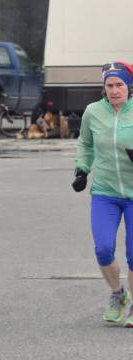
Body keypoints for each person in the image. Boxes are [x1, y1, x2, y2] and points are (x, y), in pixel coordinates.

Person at [72, 61, 133, 325]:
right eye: (109, 85)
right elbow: (86, 143)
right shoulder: (93, 112)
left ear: (129, 87)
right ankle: (118, 295)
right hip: (105, 191)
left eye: (119, 85)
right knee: (104, 248)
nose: (114, 90)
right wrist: (82, 170)